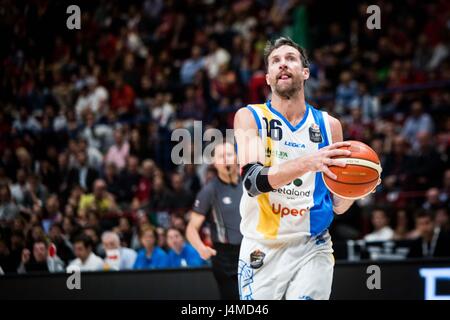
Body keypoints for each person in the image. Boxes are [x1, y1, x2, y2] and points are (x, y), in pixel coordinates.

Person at [233, 37, 378, 300]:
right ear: (268, 78)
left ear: (305, 72)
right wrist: (307, 163)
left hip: (313, 244)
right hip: (261, 247)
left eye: (290, 59)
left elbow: (337, 203)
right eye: (275, 61)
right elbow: (253, 183)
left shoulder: (329, 125)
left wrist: (359, 188)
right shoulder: (249, 117)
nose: (283, 65)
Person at [186, 142, 243, 300]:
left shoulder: (249, 184)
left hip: (252, 250)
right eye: (221, 157)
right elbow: (191, 229)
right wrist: (201, 248)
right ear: (214, 163)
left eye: (229, 155)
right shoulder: (209, 191)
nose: (226, 160)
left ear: (237, 157)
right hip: (225, 258)